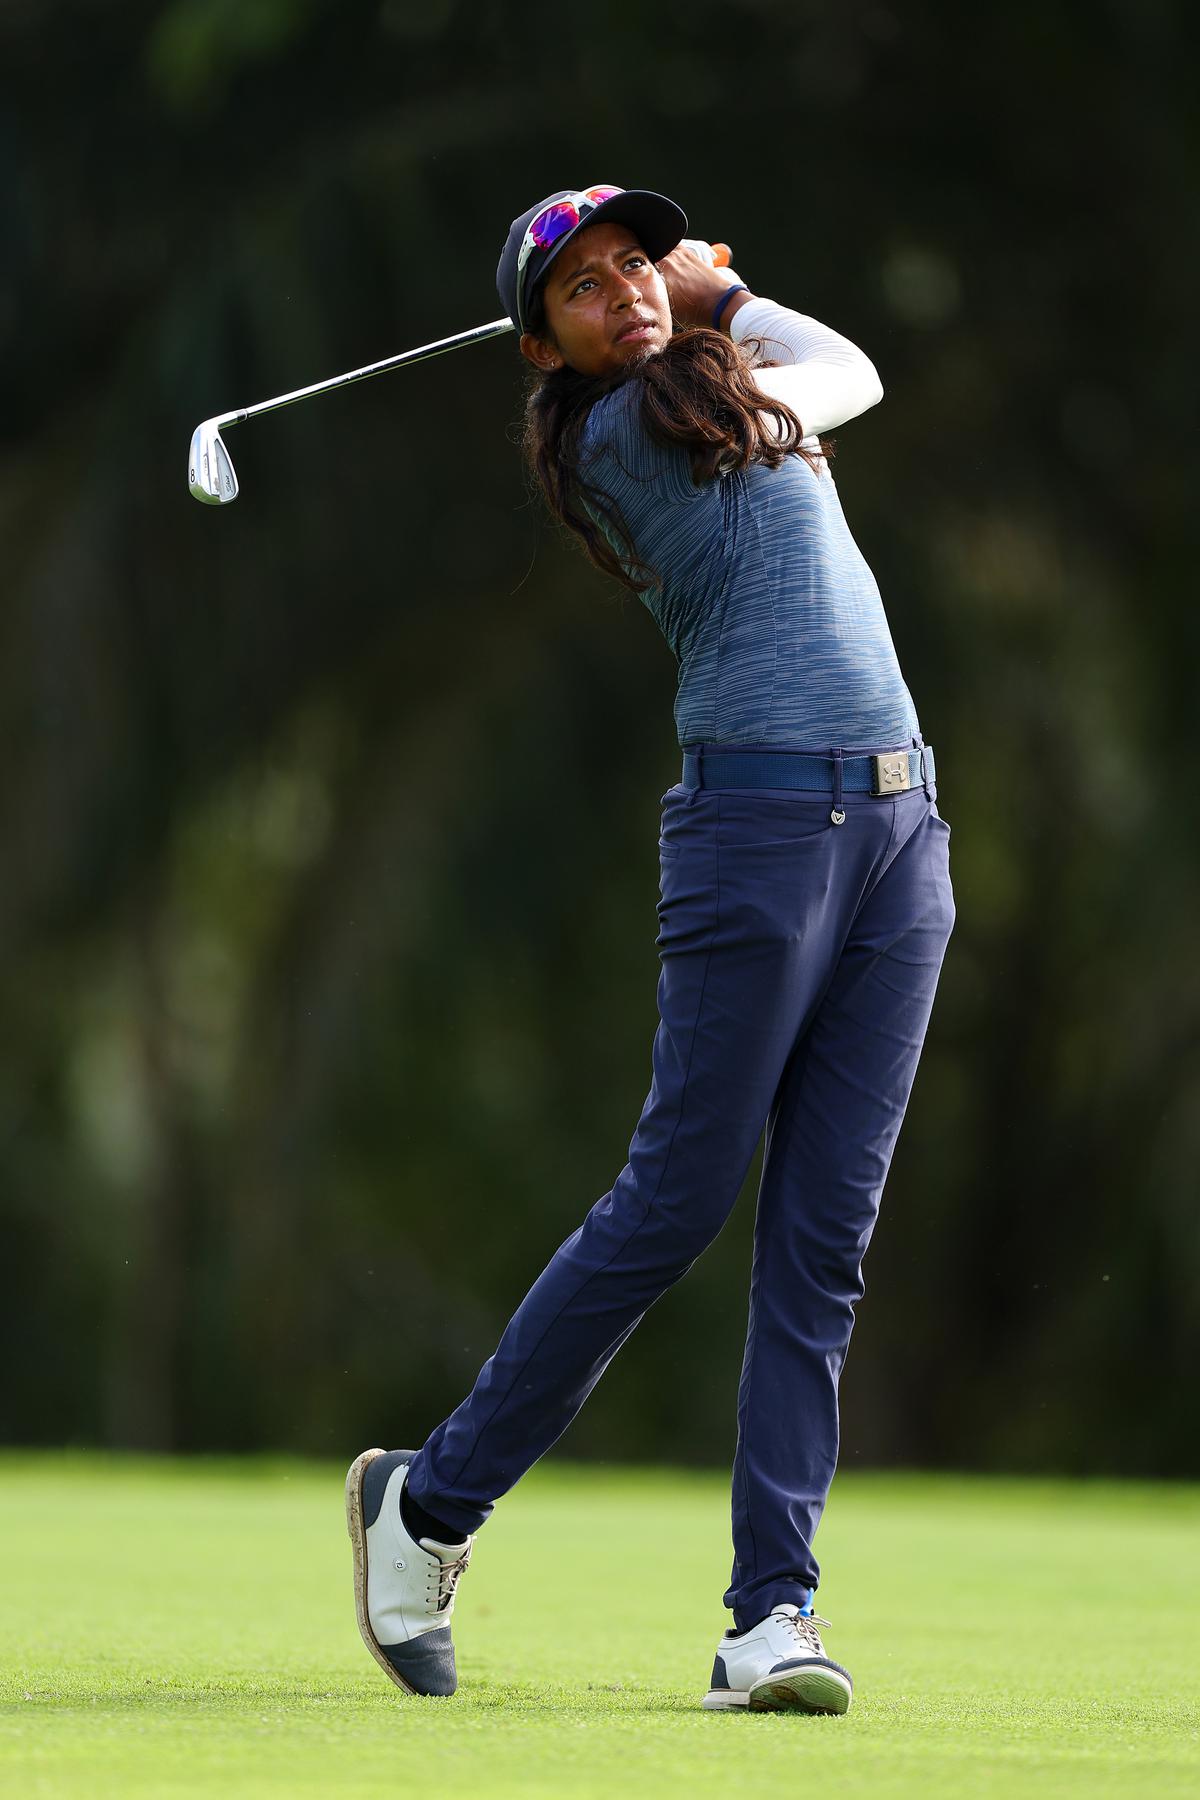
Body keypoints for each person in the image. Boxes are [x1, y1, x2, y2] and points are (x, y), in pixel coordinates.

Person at [345, 184, 955, 1713]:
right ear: (543, 349)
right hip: (756, 831)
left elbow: (825, 372)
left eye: (637, 265)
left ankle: (772, 1620)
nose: (623, 293)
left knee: (825, 1240)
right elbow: (849, 371)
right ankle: (425, 1508)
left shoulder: (708, 387)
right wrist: (718, 295)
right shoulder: (630, 433)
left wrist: (701, 293)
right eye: (586, 288)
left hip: (900, 835)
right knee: (674, 1204)